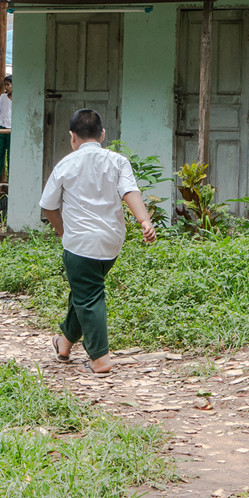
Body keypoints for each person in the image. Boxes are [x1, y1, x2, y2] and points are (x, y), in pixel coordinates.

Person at [39, 107, 157, 374]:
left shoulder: (65, 164)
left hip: (80, 243)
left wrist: (62, 233)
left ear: (72, 137)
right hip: (111, 242)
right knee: (84, 290)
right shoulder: (118, 161)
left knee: (89, 295)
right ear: (102, 134)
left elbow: (48, 205)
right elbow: (130, 191)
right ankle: (64, 343)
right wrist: (144, 221)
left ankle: (100, 358)